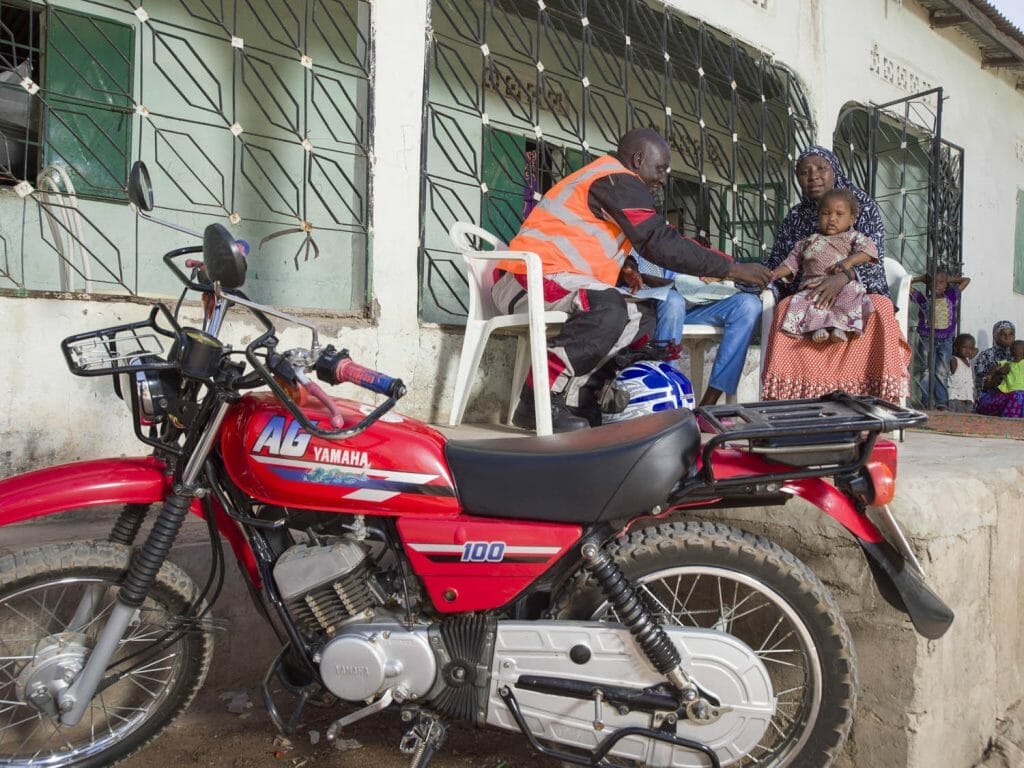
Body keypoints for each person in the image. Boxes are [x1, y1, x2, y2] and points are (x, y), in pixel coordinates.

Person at [492, 127, 772, 432]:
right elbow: (657, 241)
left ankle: (589, 397)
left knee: (644, 317)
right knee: (608, 308)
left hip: (556, 279)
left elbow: (587, 231)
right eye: (661, 168)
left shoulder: (608, 179)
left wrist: (624, 263)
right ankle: (536, 402)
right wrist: (731, 268)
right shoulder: (618, 179)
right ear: (638, 159)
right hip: (526, 280)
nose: (663, 178)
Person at [760, 146, 910, 402]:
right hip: (809, 290)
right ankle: (795, 396)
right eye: (804, 172)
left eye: (821, 169)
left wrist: (842, 277)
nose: (813, 176)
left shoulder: (862, 207)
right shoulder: (795, 217)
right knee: (785, 308)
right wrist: (764, 283)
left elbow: (873, 258)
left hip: (859, 286)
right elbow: (783, 262)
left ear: (835, 172)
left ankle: (871, 397)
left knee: (881, 309)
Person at [629, 251, 762, 406]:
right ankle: (667, 393)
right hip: (659, 308)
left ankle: (709, 403)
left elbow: (711, 261)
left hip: (697, 304)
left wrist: (716, 274)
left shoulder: (673, 239)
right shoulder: (623, 242)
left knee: (749, 305)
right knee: (673, 300)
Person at [768, 188, 878, 343]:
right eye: (826, 213)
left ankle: (840, 327)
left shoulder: (852, 237)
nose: (832, 218)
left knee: (853, 291)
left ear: (851, 219)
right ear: (818, 216)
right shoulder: (808, 242)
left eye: (839, 214)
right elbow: (790, 264)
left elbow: (869, 251)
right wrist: (772, 274)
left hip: (840, 286)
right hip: (813, 286)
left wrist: (848, 262)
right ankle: (817, 328)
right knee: (802, 301)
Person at [910, 269, 971, 409]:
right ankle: (926, 401)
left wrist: (949, 279)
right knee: (926, 370)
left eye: (941, 282)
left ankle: (941, 402)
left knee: (942, 371)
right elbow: (906, 286)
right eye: (934, 282)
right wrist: (921, 278)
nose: (937, 285)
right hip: (926, 340)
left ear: (946, 284)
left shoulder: (951, 295)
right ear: (929, 284)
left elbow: (966, 280)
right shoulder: (923, 298)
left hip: (945, 341)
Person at [974, 321, 1024, 418]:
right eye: (1003, 334)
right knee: (1017, 395)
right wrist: (998, 374)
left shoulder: (1019, 356)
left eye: (1011, 334)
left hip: (1015, 398)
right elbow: (981, 386)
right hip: (990, 398)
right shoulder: (985, 355)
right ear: (995, 336)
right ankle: (1009, 422)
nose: (1007, 338)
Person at [947, 333, 977, 414]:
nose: (968, 350)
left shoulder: (968, 361)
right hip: (955, 398)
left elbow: (975, 351)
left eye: (970, 348)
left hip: (968, 398)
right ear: (956, 348)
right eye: (964, 347)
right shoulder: (954, 360)